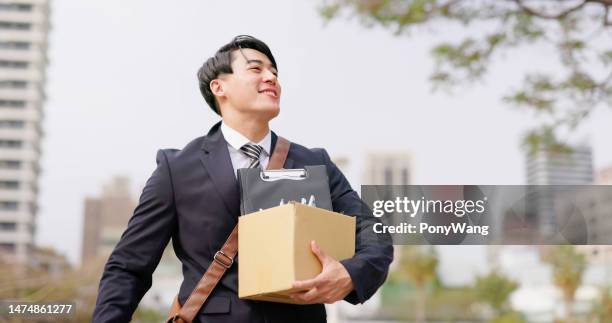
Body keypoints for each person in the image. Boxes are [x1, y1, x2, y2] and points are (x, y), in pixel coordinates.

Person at [92, 35, 393, 323]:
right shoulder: (177, 168)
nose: (271, 77)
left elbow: (373, 232)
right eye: (255, 68)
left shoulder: (316, 162)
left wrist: (351, 274)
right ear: (219, 87)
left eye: (275, 72)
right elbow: (129, 266)